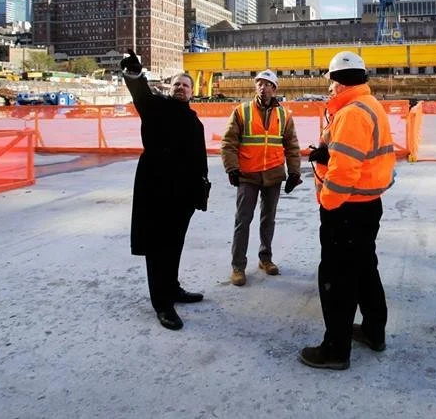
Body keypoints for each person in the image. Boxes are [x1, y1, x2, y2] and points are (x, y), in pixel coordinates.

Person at [299, 51, 396, 370]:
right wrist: (326, 154)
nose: (329, 90)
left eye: (330, 84)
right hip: (366, 204)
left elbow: (345, 170)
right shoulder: (370, 105)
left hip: (347, 208)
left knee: (337, 278)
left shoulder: (352, 112)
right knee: (365, 268)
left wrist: (328, 203)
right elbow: (355, 154)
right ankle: (373, 330)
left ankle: (335, 349)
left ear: (339, 83)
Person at [121, 49, 210, 331]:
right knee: (158, 247)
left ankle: (172, 288)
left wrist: (201, 191)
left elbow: (199, 159)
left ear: (192, 92)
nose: (181, 88)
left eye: (186, 85)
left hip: (182, 195)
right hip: (157, 189)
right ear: (169, 89)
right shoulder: (156, 107)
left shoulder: (195, 121)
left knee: (175, 244)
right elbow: (141, 95)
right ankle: (162, 303)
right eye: (176, 85)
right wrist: (135, 74)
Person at [221, 69, 302, 286]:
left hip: (273, 175)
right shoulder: (242, 111)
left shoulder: (284, 115)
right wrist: (232, 168)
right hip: (248, 175)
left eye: (267, 84)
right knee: (243, 220)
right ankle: (238, 266)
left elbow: (292, 146)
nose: (262, 87)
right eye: (259, 83)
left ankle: (265, 259)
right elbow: (229, 143)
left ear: (275, 89)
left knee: (268, 220)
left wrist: (294, 172)